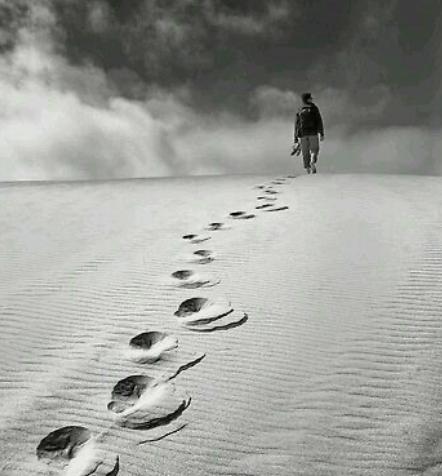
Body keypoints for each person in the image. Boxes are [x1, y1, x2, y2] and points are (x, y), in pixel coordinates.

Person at [293, 92, 324, 174]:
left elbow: (296, 125)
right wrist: (321, 132)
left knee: (305, 153)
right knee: (314, 150)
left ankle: (308, 169)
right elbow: (319, 120)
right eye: (310, 98)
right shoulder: (314, 108)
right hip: (313, 133)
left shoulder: (300, 109)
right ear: (308, 99)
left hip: (302, 134)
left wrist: (295, 139)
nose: (312, 99)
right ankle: (312, 161)